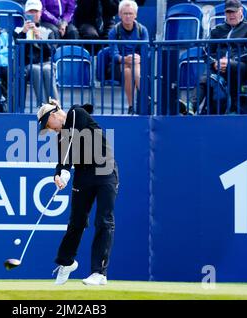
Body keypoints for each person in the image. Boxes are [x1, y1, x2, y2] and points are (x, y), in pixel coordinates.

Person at [37, 99, 119, 286]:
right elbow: (63, 160)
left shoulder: (76, 114)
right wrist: (58, 175)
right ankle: (66, 262)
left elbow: (73, 135)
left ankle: (99, 272)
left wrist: (65, 170)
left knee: (104, 220)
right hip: (84, 176)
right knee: (77, 221)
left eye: (48, 124)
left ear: (54, 115)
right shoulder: (61, 136)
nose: (51, 130)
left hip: (105, 171)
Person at [189, 0, 247, 115]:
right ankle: (191, 106)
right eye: (228, 12)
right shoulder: (217, 29)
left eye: (234, 12)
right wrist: (215, 63)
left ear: (241, 11)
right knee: (206, 76)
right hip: (218, 65)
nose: (231, 15)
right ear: (225, 13)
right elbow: (206, 51)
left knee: (229, 67)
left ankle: (234, 106)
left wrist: (231, 61)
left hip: (242, 66)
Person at [15, 0, 59, 106]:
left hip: (46, 62)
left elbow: (51, 52)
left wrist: (40, 38)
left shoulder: (49, 29)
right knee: (36, 69)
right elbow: (17, 53)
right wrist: (23, 34)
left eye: (36, 11)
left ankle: (55, 107)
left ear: (40, 13)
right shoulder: (18, 30)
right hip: (27, 64)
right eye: (30, 12)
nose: (33, 14)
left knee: (47, 69)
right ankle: (43, 106)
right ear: (25, 14)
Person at [108, 0, 149, 115]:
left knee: (129, 70)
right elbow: (113, 54)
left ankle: (131, 106)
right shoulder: (114, 32)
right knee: (126, 68)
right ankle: (145, 97)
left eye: (130, 13)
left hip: (136, 64)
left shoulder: (142, 30)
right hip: (117, 65)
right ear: (120, 15)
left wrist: (139, 58)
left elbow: (146, 51)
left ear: (135, 15)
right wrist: (123, 59)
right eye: (125, 13)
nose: (128, 16)